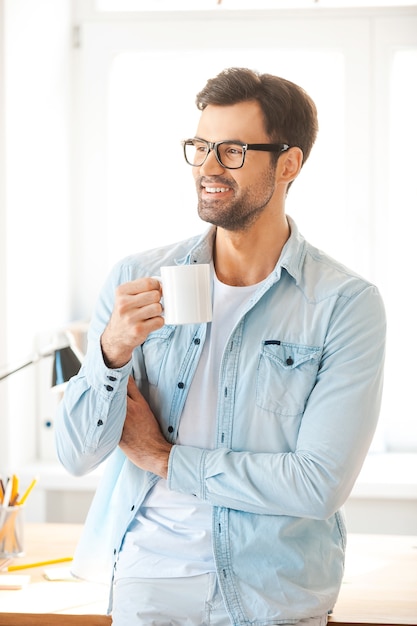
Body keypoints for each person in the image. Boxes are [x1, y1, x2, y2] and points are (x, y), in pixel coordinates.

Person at [55, 67, 386, 626]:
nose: (208, 167)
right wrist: (110, 353)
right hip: (150, 584)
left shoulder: (344, 304)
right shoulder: (136, 277)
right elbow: (76, 454)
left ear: (289, 164)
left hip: (274, 593)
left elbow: (316, 486)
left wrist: (165, 459)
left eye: (231, 151)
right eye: (201, 147)